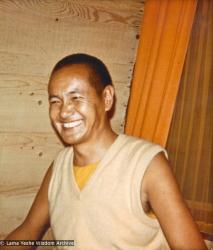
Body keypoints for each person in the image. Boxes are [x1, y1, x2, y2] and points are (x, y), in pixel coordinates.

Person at [1, 54, 207, 250]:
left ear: (107, 98)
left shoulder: (147, 163)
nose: (63, 111)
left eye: (76, 97)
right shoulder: (60, 165)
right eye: (55, 101)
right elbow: (28, 232)